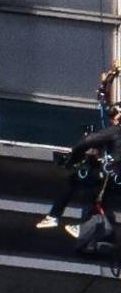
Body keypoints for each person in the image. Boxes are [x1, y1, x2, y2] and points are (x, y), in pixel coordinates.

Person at [38, 62, 121, 239]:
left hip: (112, 176)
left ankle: (56, 216)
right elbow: (104, 104)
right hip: (114, 177)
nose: (112, 120)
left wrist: (74, 156)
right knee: (99, 198)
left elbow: (88, 141)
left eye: (115, 118)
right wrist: (108, 80)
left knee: (77, 181)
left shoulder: (116, 131)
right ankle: (93, 230)